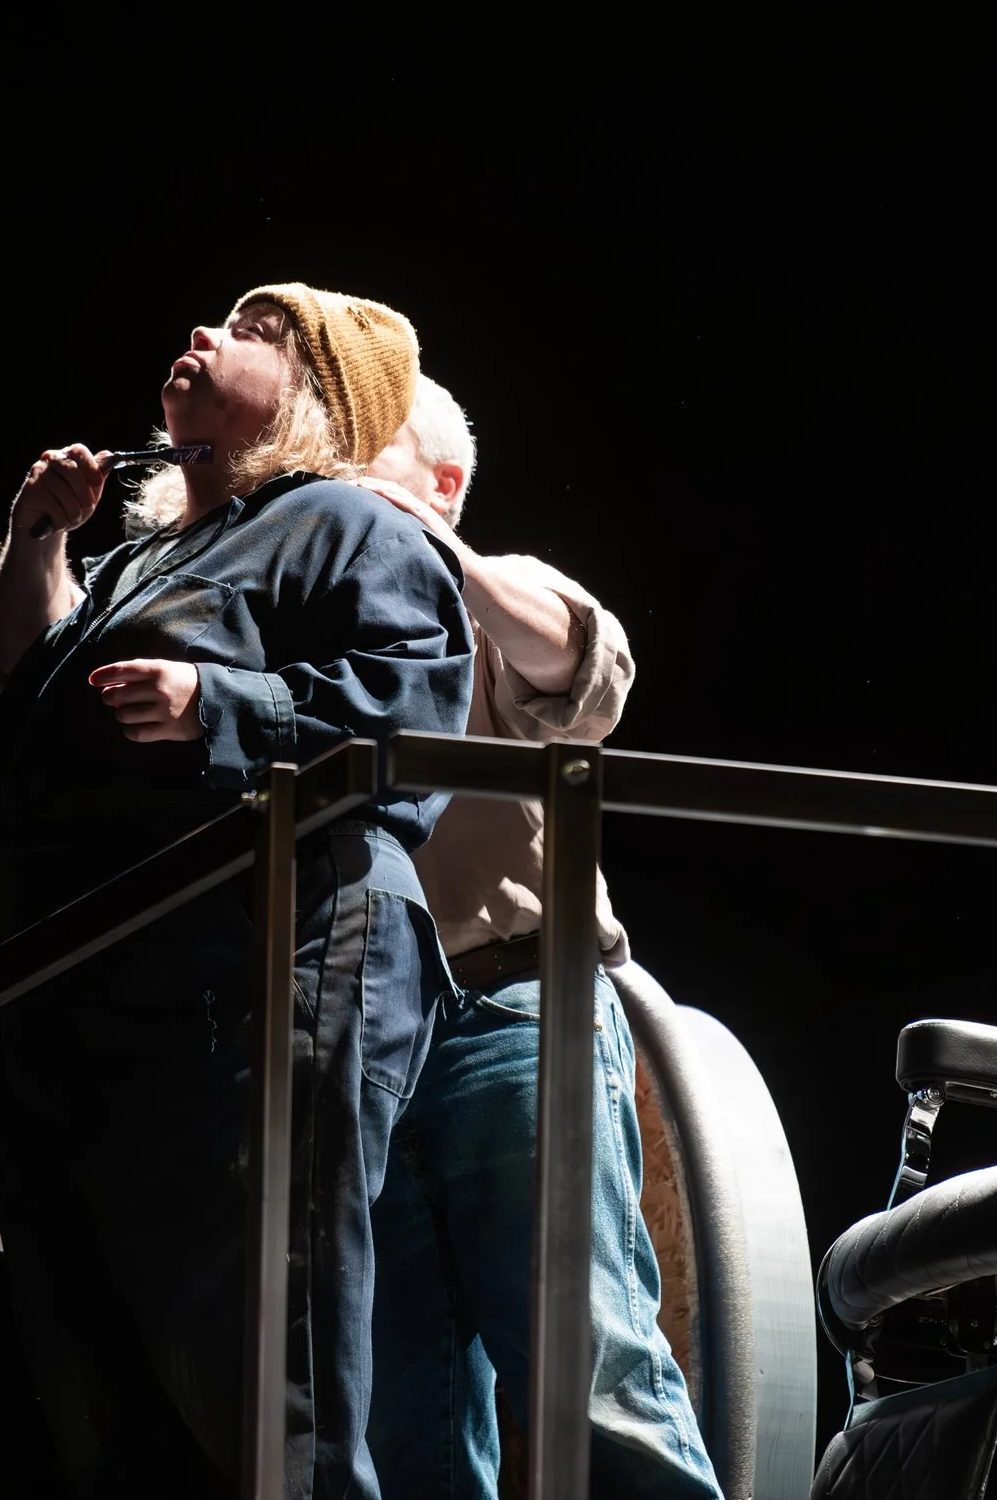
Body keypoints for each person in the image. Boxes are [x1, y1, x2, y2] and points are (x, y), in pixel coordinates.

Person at [0, 284, 474, 1498]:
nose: (204, 333)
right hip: (97, 1006)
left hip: (262, 967)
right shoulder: (139, 559)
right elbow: (34, 692)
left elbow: (416, 724)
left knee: (261, 1383)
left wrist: (223, 705)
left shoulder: (346, 523)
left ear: (317, 395)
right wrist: (36, 540)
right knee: (106, 1398)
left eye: (256, 332)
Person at [355, 378, 722, 1499]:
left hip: (512, 1010)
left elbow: (587, 672)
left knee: (590, 1379)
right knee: (403, 1419)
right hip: (369, 1043)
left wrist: (434, 546)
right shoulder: (333, 624)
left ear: (445, 481)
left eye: (371, 438)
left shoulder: (494, 589)